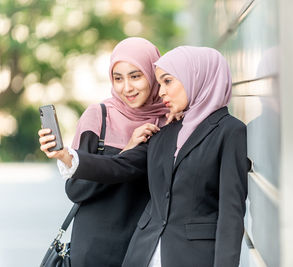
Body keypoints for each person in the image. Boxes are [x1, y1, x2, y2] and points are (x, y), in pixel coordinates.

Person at [39, 46, 249, 267]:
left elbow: (231, 214)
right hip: (132, 251)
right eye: (118, 78)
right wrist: (67, 156)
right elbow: (120, 166)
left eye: (167, 82)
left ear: (194, 78)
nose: (161, 91)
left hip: (188, 254)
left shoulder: (220, 130)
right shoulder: (160, 131)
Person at [38, 37, 176, 267]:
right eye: (118, 78)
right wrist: (127, 151)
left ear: (153, 75)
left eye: (135, 76)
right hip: (95, 249)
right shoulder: (99, 117)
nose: (127, 88)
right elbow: (76, 190)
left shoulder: (169, 120)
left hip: (146, 249)